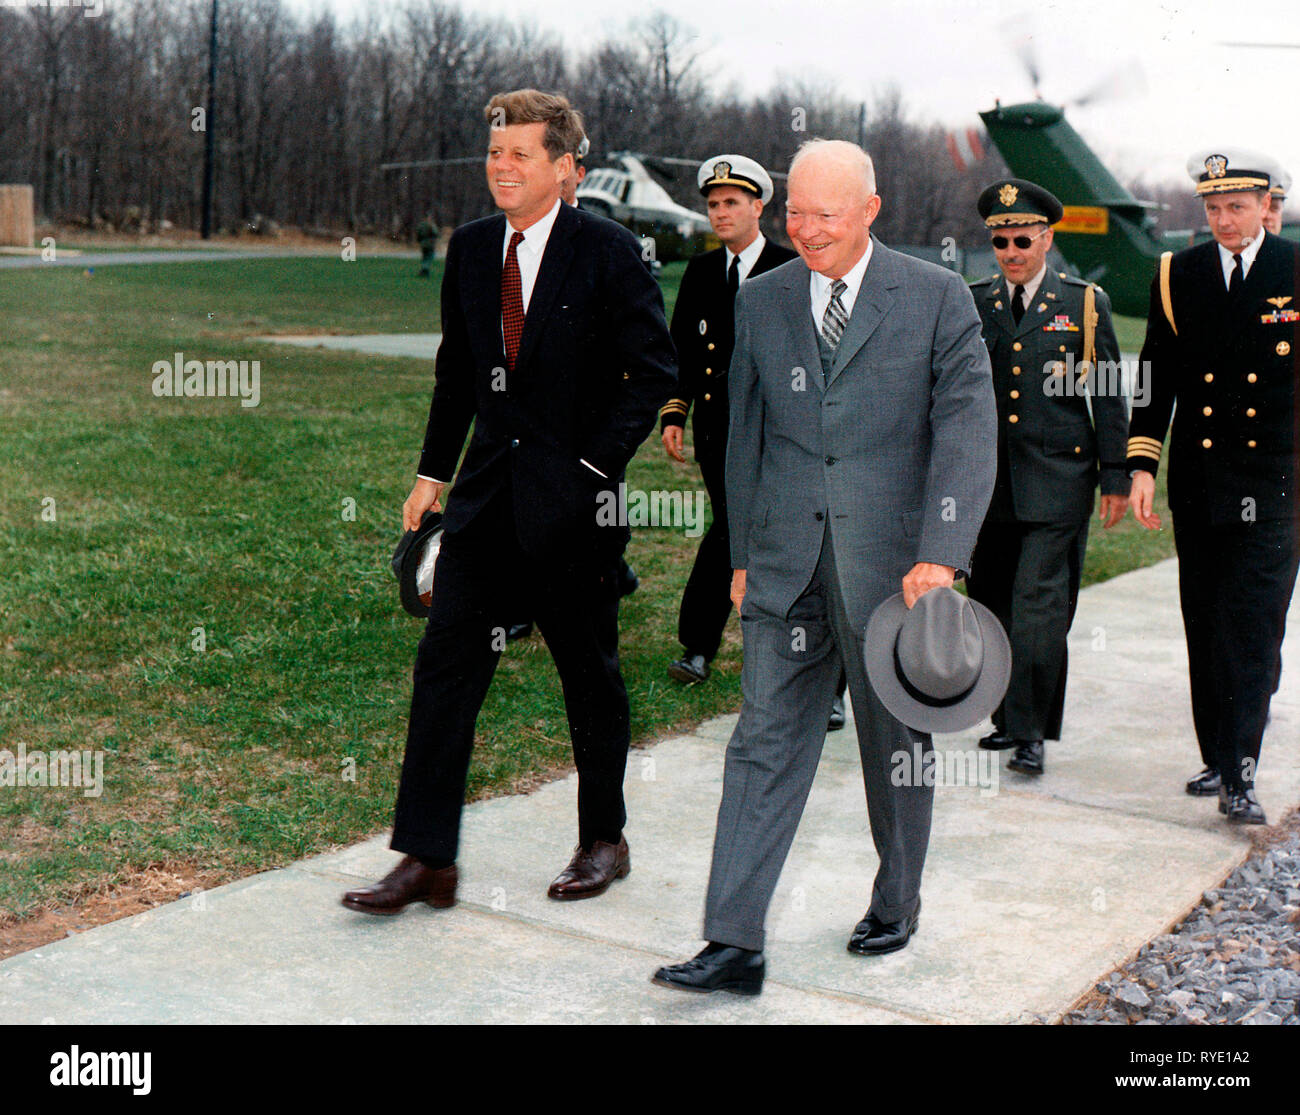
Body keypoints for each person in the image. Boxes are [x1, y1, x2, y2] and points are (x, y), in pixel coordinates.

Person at [653, 139, 996, 995]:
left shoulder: (936, 297)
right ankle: (733, 942)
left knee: (893, 744)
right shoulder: (763, 301)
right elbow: (745, 437)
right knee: (763, 742)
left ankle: (897, 897)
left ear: (872, 211)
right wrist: (738, 556)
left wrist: (941, 556)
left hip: (894, 572)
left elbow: (966, 432)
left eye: (825, 216)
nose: (803, 230)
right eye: (794, 212)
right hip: (784, 562)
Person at [342, 89, 676, 915]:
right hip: (485, 507)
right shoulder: (471, 248)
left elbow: (654, 376)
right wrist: (431, 474)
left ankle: (604, 838)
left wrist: (594, 467)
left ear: (567, 169)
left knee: (589, 675)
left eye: (520, 154)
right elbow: (458, 372)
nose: (501, 167)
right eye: (495, 153)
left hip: (576, 511)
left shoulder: (610, 252)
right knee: (444, 673)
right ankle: (426, 858)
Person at [1128, 148, 1299, 826]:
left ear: (1266, 206)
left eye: (1237, 206)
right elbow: (1153, 377)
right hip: (1200, 484)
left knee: (1254, 629)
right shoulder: (1178, 274)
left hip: (1279, 484)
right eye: (1213, 208)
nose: (1224, 219)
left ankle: (1240, 773)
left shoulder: (1295, 269)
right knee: (1206, 626)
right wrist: (1142, 464)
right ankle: (1217, 755)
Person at [966, 179, 1129, 776]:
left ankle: (1032, 731)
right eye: (1001, 241)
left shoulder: (1084, 304)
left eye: (1023, 240)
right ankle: (1008, 718)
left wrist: (1116, 475)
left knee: (1038, 608)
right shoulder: (973, 301)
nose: (1012, 252)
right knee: (991, 603)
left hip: (1058, 482)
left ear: (1047, 238)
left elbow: (1109, 396)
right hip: (988, 485)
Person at [657, 156, 798, 681]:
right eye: (713, 205)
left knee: (763, 535)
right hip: (719, 432)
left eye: (731, 203)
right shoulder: (699, 272)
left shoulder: (790, 268)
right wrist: (676, 411)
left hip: (780, 433)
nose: (720, 213)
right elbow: (683, 354)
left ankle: (705, 645)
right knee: (731, 527)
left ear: (758, 206)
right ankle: (699, 645)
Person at [506, 130, 638, 642]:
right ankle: (520, 604)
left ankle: (609, 581)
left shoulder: (606, 245)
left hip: (589, 424)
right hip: (528, 421)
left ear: (574, 173)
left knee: (599, 525)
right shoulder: (513, 238)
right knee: (519, 518)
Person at [416, 214, 436, 278]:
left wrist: (419, 241)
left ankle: (423, 268)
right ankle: (426, 269)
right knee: (430, 256)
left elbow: (418, 234)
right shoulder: (431, 225)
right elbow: (435, 233)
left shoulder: (421, 225)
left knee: (424, 256)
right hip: (430, 243)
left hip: (423, 243)